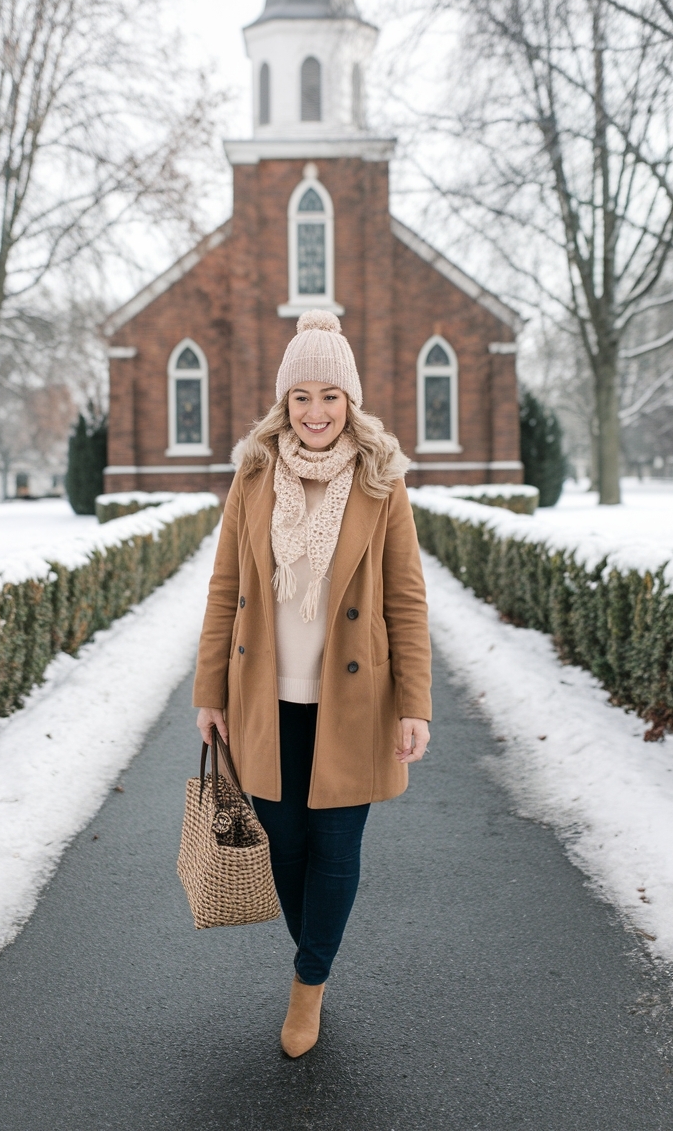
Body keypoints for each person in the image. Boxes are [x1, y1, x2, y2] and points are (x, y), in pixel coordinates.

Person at [193, 309, 432, 1057]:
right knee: (284, 847)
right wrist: (208, 691)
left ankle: (309, 982)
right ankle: (314, 960)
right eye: (303, 396)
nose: (317, 411)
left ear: (351, 401)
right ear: (283, 402)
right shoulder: (254, 474)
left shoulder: (381, 480)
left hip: (354, 703)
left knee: (334, 848)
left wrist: (414, 706)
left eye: (331, 395)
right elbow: (224, 582)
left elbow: (406, 598)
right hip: (264, 696)